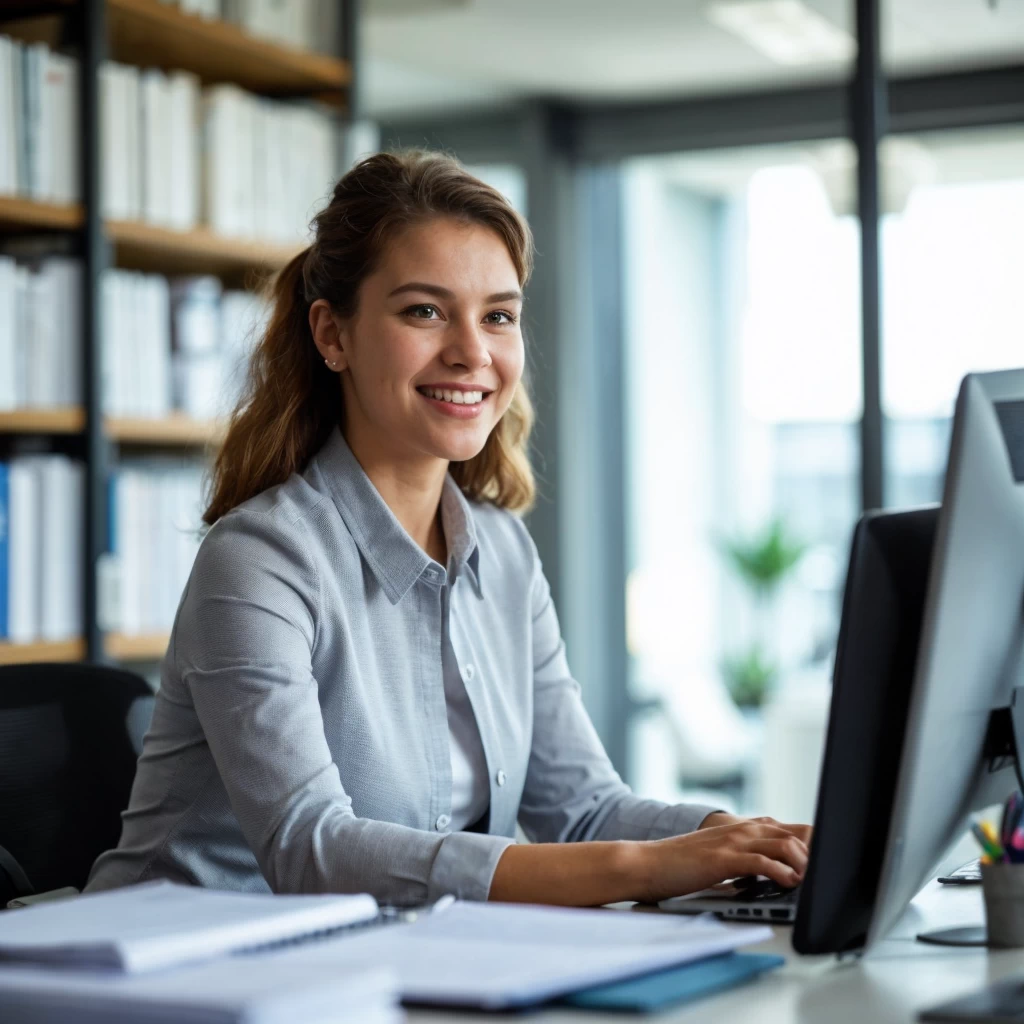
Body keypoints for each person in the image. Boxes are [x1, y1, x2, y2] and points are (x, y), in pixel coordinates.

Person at [88, 151, 810, 906]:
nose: (473, 353)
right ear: (333, 335)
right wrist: (645, 867)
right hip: (178, 969)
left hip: (397, 962)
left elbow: (583, 809)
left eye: (498, 315)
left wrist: (754, 842)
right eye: (425, 311)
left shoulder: (502, 554)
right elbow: (311, 849)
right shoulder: (260, 559)